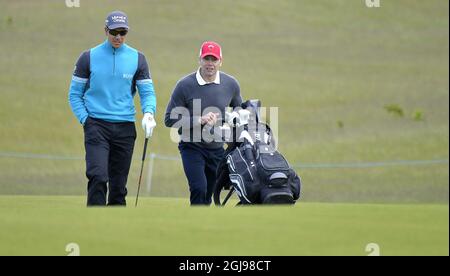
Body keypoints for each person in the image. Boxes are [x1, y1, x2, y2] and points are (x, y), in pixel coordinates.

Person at [68, 11, 157, 206]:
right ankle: (94, 225)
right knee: (98, 177)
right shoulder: (88, 57)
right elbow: (74, 95)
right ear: (105, 30)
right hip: (96, 126)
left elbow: (147, 92)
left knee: (118, 187)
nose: (118, 37)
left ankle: (116, 231)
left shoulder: (138, 59)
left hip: (125, 127)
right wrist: (86, 120)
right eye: (114, 32)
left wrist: (148, 113)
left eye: (122, 32)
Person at [165, 41, 242, 205]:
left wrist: (229, 118)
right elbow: (169, 119)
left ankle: (200, 225)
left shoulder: (230, 84)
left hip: (217, 149)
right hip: (191, 147)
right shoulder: (185, 85)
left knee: (209, 194)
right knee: (199, 188)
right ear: (199, 60)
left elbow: (238, 110)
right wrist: (199, 120)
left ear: (220, 61)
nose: (210, 64)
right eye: (206, 58)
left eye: (214, 59)